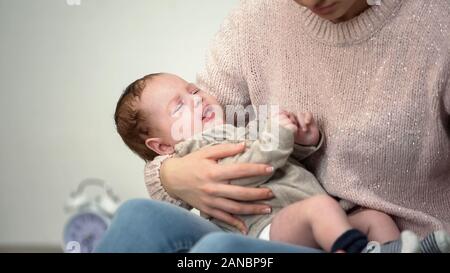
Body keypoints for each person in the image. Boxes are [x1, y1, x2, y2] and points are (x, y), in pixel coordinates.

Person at [96, 0, 450, 253]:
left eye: (192, 90)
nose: (197, 99)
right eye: (179, 106)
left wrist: (304, 140)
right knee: (136, 216)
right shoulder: (253, 26)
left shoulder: (437, 23)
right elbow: (252, 157)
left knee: (221, 250)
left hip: (359, 224)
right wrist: (172, 175)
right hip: (271, 227)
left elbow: (273, 155)